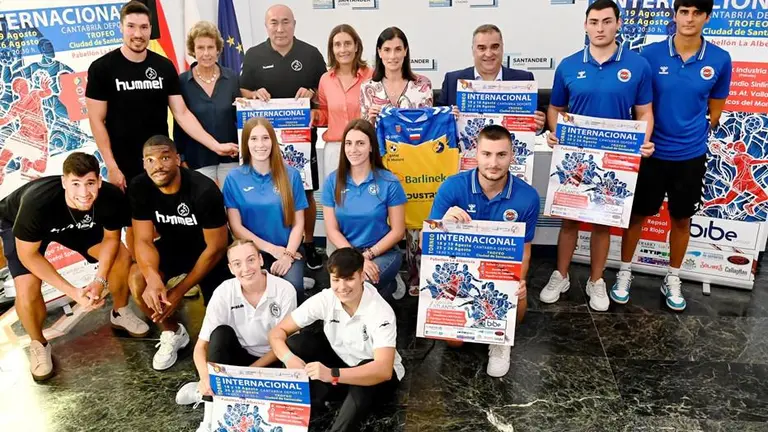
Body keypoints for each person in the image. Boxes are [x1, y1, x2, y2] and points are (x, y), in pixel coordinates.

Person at [615, 0, 731, 311]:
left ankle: (673, 276)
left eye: (696, 13)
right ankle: (625, 272)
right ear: (675, 15)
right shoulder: (649, 55)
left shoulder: (720, 59)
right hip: (651, 153)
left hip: (690, 156)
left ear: (707, 17)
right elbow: (635, 103)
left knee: (681, 219)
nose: (689, 19)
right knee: (637, 215)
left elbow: (715, 111)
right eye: (683, 12)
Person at [542, 0, 655, 312]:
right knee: (569, 221)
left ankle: (596, 280)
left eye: (607, 21)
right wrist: (557, 133)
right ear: (585, 25)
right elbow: (556, 109)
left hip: (615, 162)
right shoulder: (568, 65)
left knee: (602, 224)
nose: (600, 28)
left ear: (618, 24)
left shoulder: (637, 65)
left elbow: (644, 112)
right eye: (594, 22)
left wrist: (642, 142)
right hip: (575, 160)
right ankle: (561, 275)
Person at [0, 152, 147, 381]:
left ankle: (120, 311)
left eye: (90, 183)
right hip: (21, 225)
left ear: (99, 181)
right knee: (27, 290)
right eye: (75, 184)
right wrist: (73, 292)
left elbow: (111, 239)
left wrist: (100, 281)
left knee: (121, 256)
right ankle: (38, 343)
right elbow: (28, 256)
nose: (84, 192)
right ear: (64, 182)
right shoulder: (36, 202)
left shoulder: (110, 196)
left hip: (75, 223)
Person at [86, 1, 238, 192]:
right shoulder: (101, 68)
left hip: (161, 162)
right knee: (133, 220)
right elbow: (96, 120)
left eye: (143, 27)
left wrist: (216, 146)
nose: (138, 34)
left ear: (150, 28)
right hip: (123, 164)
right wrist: (111, 165)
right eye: (131, 27)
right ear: (121, 28)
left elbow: (182, 113)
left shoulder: (164, 66)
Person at [427, 125, 538, 378]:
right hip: (460, 273)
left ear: (512, 156)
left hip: (499, 273)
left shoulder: (527, 197)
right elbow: (427, 245)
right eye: (487, 154)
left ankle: (500, 340)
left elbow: (525, 250)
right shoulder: (452, 187)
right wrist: (442, 223)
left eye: (501, 155)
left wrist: (518, 282)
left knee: (519, 300)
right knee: (454, 344)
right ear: (476, 153)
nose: (494, 163)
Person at [269, 247, 403, 432]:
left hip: (377, 381)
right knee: (297, 343)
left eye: (349, 279)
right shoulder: (326, 298)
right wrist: (288, 359)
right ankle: (305, 413)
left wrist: (332, 374)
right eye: (336, 279)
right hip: (341, 367)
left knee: (365, 370)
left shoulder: (381, 312)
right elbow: (278, 332)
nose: (342, 287)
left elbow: (383, 370)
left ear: (362, 275)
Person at [127, 135, 231, 371]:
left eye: (164, 158)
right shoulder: (139, 186)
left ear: (177, 159)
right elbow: (142, 239)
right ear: (143, 164)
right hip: (173, 248)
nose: (158, 166)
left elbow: (216, 248)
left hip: (209, 255)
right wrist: (153, 278)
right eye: (150, 160)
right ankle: (173, 332)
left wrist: (178, 291)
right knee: (138, 280)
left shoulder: (203, 190)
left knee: (221, 326)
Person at [174, 239, 297, 432]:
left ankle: (238, 391)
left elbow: (285, 342)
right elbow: (201, 346)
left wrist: (247, 375)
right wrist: (206, 378)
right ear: (231, 269)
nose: (246, 268)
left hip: (273, 360)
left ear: (261, 260)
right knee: (221, 334)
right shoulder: (224, 291)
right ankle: (208, 415)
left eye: (251, 260)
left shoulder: (284, 290)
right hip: (238, 359)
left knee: (297, 344)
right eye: (238, 264)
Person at [240, 4, 326, 271]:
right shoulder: (254, 55)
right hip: (262, 141)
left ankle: (309, 243)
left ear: (294, 24)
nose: (280, 28)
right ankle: (266, 246)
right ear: (266, 26)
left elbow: (323, 89)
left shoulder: (310, 54)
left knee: (306, 190)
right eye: (274, 22)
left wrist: (311, 92)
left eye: (285, 22)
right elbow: (242, 89)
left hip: (299, 138)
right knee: (267, 192)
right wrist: (254, 94)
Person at [360, 26, 433, 297]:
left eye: (398, 49)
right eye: (387, 49)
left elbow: (429, 126)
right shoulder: (368, 89)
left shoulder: (421, 85)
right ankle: (391, 272)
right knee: (384, 223)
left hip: (415, 166)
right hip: (380, 168)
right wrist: (372, 116)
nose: (392, 55)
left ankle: (417, 277)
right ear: (379, 53)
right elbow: (362, 132)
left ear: (405, 52)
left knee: (414, 224)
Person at [223, 117, 309, 303]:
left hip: (287, 249)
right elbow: (236, 227)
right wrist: (272, 250)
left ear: (273, 141)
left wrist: (287, 255)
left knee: (293, 288)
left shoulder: (291, 175)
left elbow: (299, 223)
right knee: (254, 291)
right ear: (246, 143)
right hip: (251, 252)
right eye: (253, 139)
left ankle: (293, 331)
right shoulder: (234, 178)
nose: (260, 144)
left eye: (265, 138)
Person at [321, 120, 406, 301]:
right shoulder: (332, 181)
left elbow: (398, 231)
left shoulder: (389, 181)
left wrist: (367, 256)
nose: (353, 149)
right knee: (342, 290)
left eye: (361, 143)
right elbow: (331, 230)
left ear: (371, 147)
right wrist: (356, 259)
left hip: (381, 252)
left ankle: (385, 278)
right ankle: (387, 285)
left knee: (359, 286)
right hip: (346, 252)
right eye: (349, 143)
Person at [436, 24, 546, 132]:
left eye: (495, 47)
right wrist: (446, 118)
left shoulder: (524, 79)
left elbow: (539, 123)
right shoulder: (452, 81)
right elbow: (437, 122)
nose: (488, 54)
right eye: (481, 48)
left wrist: (540, 125)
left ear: (502, 48)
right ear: (473, 50)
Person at [174, 21, 241, 187]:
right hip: (197, 160)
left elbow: (239, 118)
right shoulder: (181, 82)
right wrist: (181, 158)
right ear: (192, 50)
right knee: (204, 208)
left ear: (218, 49)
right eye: (200, 48)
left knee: (232, 207)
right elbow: (179, 123)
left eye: (210, 47)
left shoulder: (231, 78)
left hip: (230, 158)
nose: (206, 53)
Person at [315, 24, 373, 185]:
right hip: (335, 148)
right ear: (332, 49)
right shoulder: (325, 80)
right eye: (337, 45)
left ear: (356, 46)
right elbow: (325, 115)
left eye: (347, 43)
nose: (343, 49)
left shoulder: (372, 76)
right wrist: (314, 116)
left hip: (365, 147)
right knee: (335, 196)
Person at [0, 76, 52, 183]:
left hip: (40, 136)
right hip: (24, 134)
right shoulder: (16, 105)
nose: (26, 86)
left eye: (26, 84)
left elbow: (46, 93)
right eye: (23, 85)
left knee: (41, 168)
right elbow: (5, 120)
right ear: (17, 89)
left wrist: (46, 88)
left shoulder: (34, 95)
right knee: (7, 150)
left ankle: (27, 162)